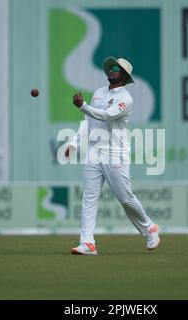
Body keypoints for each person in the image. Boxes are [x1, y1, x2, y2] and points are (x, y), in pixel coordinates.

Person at [65, 57, 160, 255]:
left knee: (125, 197)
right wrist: (74, 142)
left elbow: (107, 115)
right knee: (89, 197)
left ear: (125, 76)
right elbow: (88, 120)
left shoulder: (125, 98)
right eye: (111, 67)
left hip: (114, 153)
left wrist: (82, 106)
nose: (112, 70)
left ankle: (149, 228)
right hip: (94, 152)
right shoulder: (99, 92)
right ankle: (88, 243)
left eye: (117, 68)